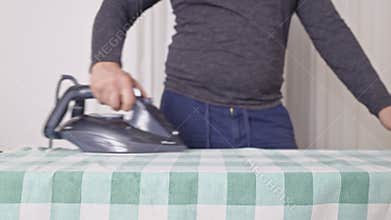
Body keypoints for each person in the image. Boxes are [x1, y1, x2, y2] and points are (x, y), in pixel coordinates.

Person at [90, 0, 391, 149]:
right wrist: (105, 62)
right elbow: (119, 6)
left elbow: (332, 35)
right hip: (189, 113)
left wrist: (383, 104)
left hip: (268, 120)